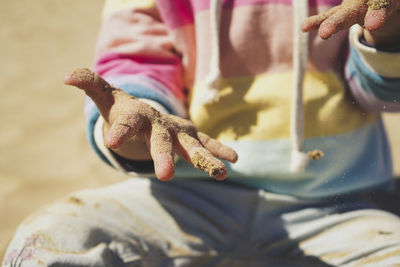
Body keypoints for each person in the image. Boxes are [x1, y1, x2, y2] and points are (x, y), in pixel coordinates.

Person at [3, 0, 400, 266]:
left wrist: (387, 35)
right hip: (183, 198)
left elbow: (380, 96)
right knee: (49, 241)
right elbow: (134, 74)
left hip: (341, 205)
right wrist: (143, 125)